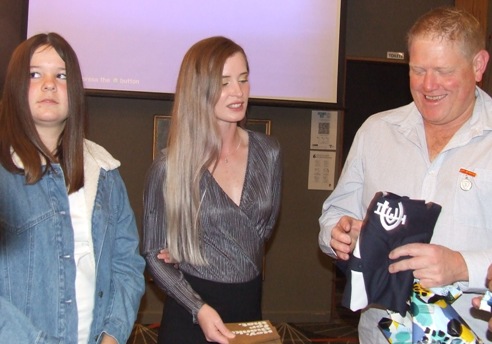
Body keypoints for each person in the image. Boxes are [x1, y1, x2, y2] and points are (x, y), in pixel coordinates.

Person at [319, 6, 492, 343]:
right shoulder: (376, 132)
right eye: (418, 70)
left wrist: (461, 266)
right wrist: (337, 236)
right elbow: (335, 214)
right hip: (380, 333)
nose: (429, 85)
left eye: (443, 71)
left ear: (478, 65)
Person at [0, 32, 145, 343]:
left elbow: (127, 265)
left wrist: (112, 335)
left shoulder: (103, 170)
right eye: (35, 74)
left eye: (61, 75)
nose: (49, 84)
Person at [142, 36, 282, 344]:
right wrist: (199, 308)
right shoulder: (169, 167)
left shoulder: (268, 153)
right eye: (224, 82)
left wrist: (208, 246)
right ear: (199, 88)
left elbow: (260, 232)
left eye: (243, 79)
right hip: (190, 309)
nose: (238, 92)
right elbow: (152, 253)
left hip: (247, 304)